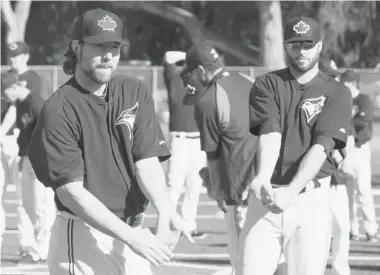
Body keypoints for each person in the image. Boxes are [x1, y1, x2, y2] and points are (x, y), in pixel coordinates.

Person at [27, 8, 193, 275]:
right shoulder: (58, 108)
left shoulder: (134, 90)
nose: (107, 55)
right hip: (83, 237)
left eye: (114, 46)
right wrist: (130, 236)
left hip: (131, 234)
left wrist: (165, 209)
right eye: (97, 46)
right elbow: (71, 192)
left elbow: (146, 160)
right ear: (76, 47)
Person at [235, 16, 352, 275]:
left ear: (320, 46)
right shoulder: (267, 84)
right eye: (295, 44)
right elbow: (270, 132)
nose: (302, 51)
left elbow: (322, 146)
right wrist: (263, 176)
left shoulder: (337, 91)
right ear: (286, 46)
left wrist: (291, 190)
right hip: (266, 197)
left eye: (308, 44)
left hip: (311, 200)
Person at [181, 44, 286, 275]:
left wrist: (216, 191)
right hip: (273, 183)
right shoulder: (251, 81)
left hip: (240, 192)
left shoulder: (208, 100)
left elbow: (213, 155)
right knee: (277, 258)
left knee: (244, 263)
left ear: (200, 69)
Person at [1, 41, 51, 262]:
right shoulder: (19, 99)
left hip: (40, 155)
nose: (6, 98)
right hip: (26, 153)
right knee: (29, 201)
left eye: (7, 92)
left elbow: (48, 129)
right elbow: (23, 129)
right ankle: (32, 247)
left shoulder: (34, 98)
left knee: (37, 203)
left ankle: (38, 247)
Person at [162, 51, 207, 238]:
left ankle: (189, 225)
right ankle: (169, 224)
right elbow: (167, 56)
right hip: (179, 139)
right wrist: (191, 54)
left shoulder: (203, 82)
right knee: (174, 185)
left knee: (194, 186)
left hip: (198, 140)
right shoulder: (174, 78)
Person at [319, 57, 353, 275]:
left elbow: (348, 135)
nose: (334, 81)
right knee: (317, 232)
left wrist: (348, 158)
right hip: (316, 178)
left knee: (343, 227)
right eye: (330, 77)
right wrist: (340, 160)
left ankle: (341, 271)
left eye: (335, 77)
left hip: (336, 180)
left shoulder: (339, 101)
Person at [340, 69, 378, 242]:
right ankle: (352, 229)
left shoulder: (363, 99)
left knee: (363, 189)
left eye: (345, 82)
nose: (342, 85)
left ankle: (371, 229)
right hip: (345, 150)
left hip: (360, 148)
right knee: (349, 192)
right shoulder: (342, 99)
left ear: (352, 83)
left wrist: (351, 119)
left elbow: (363, 122)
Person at [0, 71, 20, 261]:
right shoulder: (5, 97)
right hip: (5, 144)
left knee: (24, 198)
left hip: (14, 143)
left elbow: (14, 111)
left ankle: (29, 245)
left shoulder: (17, 100)